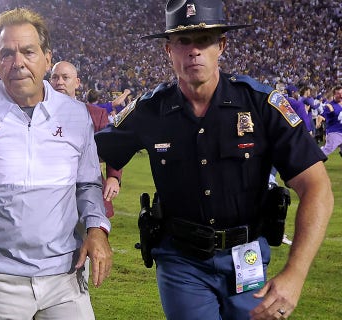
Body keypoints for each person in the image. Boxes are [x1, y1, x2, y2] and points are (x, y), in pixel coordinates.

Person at [95, 1, 333, 319]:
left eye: (204, 40)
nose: (194, 51)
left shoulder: (262, 105)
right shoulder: (150, 110)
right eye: (184, 41)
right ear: (169, 50)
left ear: (221, 45)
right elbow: (85, 151)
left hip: (246, 257)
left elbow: (317, 186)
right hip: (181, 260)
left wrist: (296, 273)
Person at [0, 8, 112, 319]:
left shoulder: (75, 115)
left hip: (66, 272)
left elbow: (87, 184)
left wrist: (97, 228)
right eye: (7, 53)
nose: (18, 63)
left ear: (47, 57)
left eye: (28, 51)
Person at [50, 61, 122, 217]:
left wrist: (113, 177)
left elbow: (113, 147)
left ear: (77, 83)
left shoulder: (95, 114)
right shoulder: (39, 114)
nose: (59, 82)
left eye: (65, 77)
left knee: (91, 239)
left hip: (88, 193)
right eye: (55, 77)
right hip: (50, 194)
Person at [318, 85, 342, 156]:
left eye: (341, 93)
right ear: (334, 94)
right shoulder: (330, 105)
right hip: (335, 132)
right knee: (328, 149)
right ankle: (313, 159)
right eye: (338, 93)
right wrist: (318, 122)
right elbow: (322, 116)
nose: (340, 95)